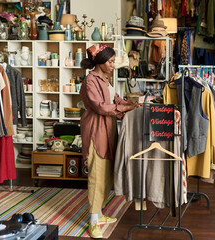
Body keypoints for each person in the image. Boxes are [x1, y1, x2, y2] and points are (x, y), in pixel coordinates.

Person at [80, 43, 139, 238]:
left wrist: (132, 104)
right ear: (100, 62)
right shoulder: (90, 81)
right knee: (96, 176)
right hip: (96, 130)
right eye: (111, 61)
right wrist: (126, 109)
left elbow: (115, 100)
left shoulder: (105, 79)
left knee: (106, 173)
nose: (113, 65)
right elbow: (101, 107)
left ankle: (99, 213)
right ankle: (93, 221)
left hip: (108, 128)